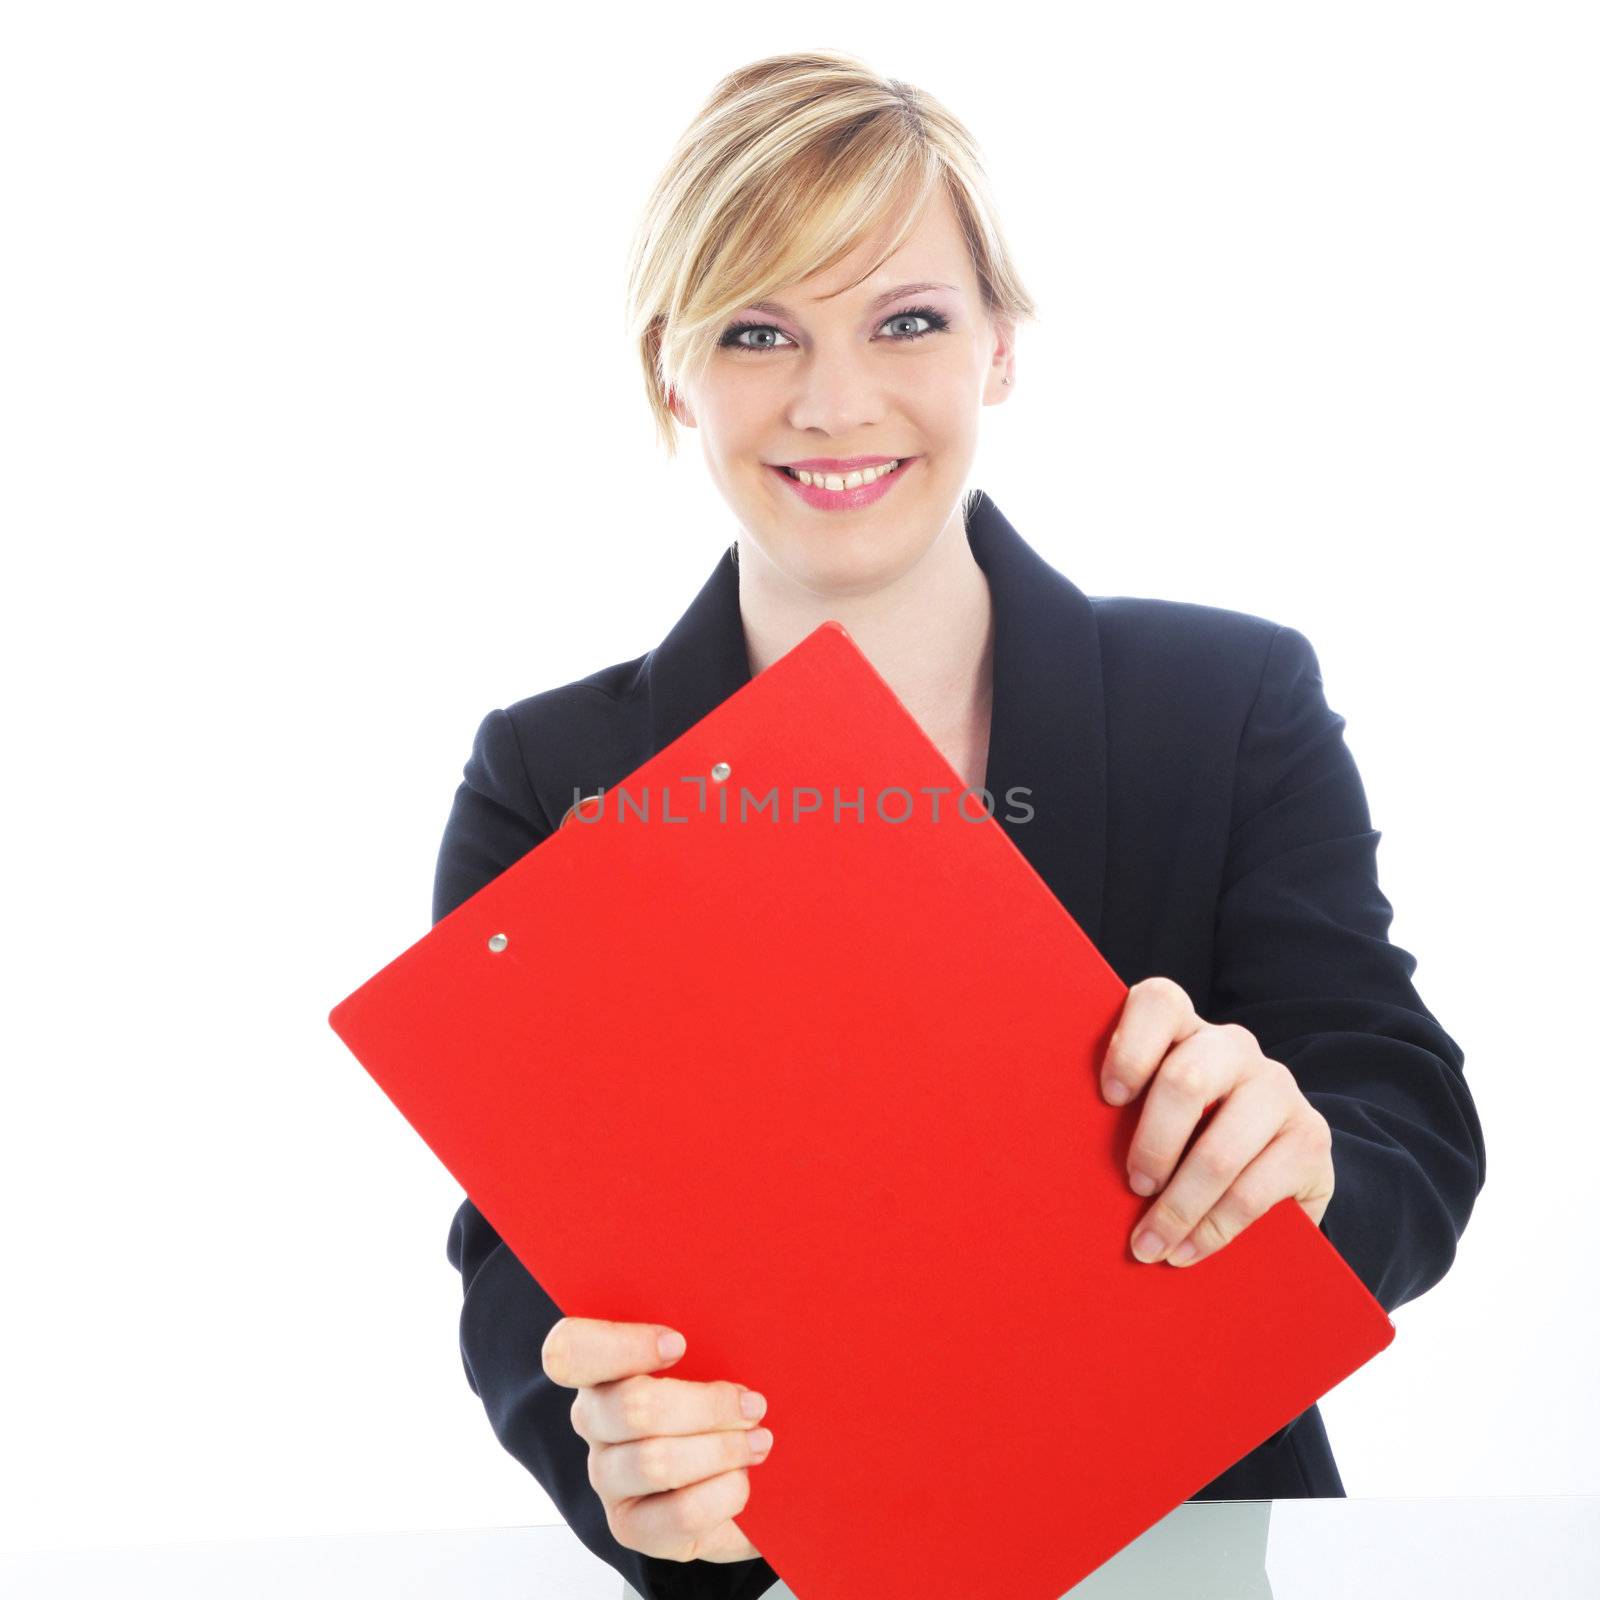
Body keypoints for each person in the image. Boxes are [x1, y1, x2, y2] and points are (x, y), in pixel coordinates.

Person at [433, 50, 1486, 1600]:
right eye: (757, 331)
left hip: (1192, 1556)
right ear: (673, 372)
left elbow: (1404, 1110)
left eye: (907, 319)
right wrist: (633, 1487)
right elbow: (524, 1252)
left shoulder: (1228, 696)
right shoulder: (548, 777)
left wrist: (1310, 1164)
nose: (834, 399)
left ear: (1000, 345)